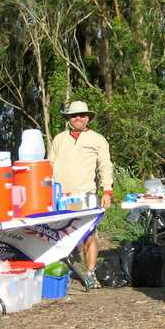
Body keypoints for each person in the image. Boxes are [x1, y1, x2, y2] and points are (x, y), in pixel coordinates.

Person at [48, 101, 113, 289]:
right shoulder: (59, 139)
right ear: (68, 118)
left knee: (89, 235)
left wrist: (107, 191)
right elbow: (49, 166)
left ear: (88, 118)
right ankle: (60, 273)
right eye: (74, 115)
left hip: (87, 194)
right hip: (60, 196)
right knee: (59, 236)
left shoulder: (98, 139)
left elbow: (105, 166)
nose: (79, 118)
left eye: (82, 115)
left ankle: (90, 274)